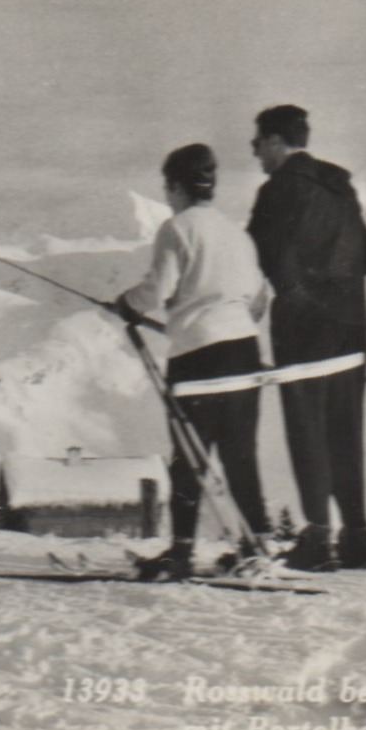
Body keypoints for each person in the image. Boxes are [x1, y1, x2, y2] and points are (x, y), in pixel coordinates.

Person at [114, 143, 271, 581]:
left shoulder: (176, 228)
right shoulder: (236, 233)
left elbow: (157, 291)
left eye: (168, 187)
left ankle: (181, 553)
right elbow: (258, 297)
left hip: (197, 357)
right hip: (244, 351)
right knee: (242, 456)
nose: (167, 196)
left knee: (189, 458)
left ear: (178, 186)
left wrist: (128, 305)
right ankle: (255, 544)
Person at [246, 105, 366, 571]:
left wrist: (295, 292)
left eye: (257, 144)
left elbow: (258, 257)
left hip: (303, 328)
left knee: (309, 431)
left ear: (276, 142)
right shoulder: (340, 186)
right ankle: (358, 538)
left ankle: (318, 539)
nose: (256, 155)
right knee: (347, 431)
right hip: (353, 323)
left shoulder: (277, 191)